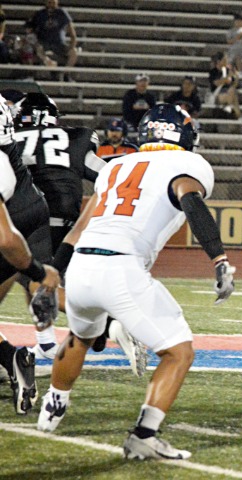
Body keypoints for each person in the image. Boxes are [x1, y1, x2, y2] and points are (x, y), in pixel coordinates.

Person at [37, 103, 236, 461]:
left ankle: (53, 405)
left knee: (80, 337)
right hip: (122, 267)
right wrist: (219, 258)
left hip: (82, 265)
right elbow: (191, 202)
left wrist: (52, 275)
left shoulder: (117, 166)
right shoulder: (187, 165)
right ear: (183, 134)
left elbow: (81, 225)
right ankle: (145, 435)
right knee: (179, 351)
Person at [13, 93, 147, 376]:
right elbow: (109, 175)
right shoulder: (71, 139)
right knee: (39, 281)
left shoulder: (11, 138)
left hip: (30, 220)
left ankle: (110, 323)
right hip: (69, 223)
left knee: (36, 280)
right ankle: (47, 343)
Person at [0, 94, 60, 414]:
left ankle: (111, 320)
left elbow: (6, 238)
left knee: (40, 279)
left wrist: (37, 272)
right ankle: (14, 358)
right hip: (31, 207)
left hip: (15, 220)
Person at [25, 0, 77, 74]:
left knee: (74, 52)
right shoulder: (40, 14)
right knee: (37, 47)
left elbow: (71, 29)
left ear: (57, 3)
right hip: (43, 42)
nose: (51, 5)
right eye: (49, 2)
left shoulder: (62, 13)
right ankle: (47, 62)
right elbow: (29, 27)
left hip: (59, 43)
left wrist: (72, 44)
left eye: (53, 3)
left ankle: (65, 74)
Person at [208, 52, 241, 119]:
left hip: (228, 94)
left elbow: (234, 85)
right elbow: (216, 83)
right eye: (225, 59)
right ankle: (237, 114)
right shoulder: (213, 72)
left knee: (233, 91)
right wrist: (227, 77)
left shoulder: (228, 71)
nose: (227, 61)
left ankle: (230, 109)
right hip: (217, 95)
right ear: (219, 61)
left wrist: (236, 76)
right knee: (232, 94)